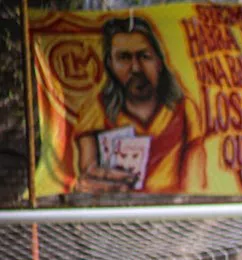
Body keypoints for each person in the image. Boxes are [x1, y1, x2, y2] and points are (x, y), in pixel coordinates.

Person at [74, 17, 206, 194]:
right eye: (124, 57)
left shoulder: (184, 110)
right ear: (110, 64)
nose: (136, 68)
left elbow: (196, 183)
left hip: (172, 213)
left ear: (159, 62)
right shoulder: (96, 110)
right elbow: (87, 175)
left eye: (144, 56)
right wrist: (102, 181)